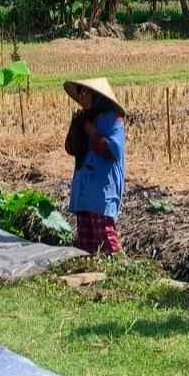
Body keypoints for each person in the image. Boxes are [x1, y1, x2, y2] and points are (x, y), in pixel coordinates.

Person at [64, 77, 127, 254]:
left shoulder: (113, 120)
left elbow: (113, 151)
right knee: (86, 238)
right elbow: (71, 148)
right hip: (84, 186)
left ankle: (117, 268)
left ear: (97, 96)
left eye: (84, 93)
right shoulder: (82, 118)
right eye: (80, 93)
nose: (81, 96)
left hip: (102, 187)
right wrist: (77, 127)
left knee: (105, 235)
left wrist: (91, 131)